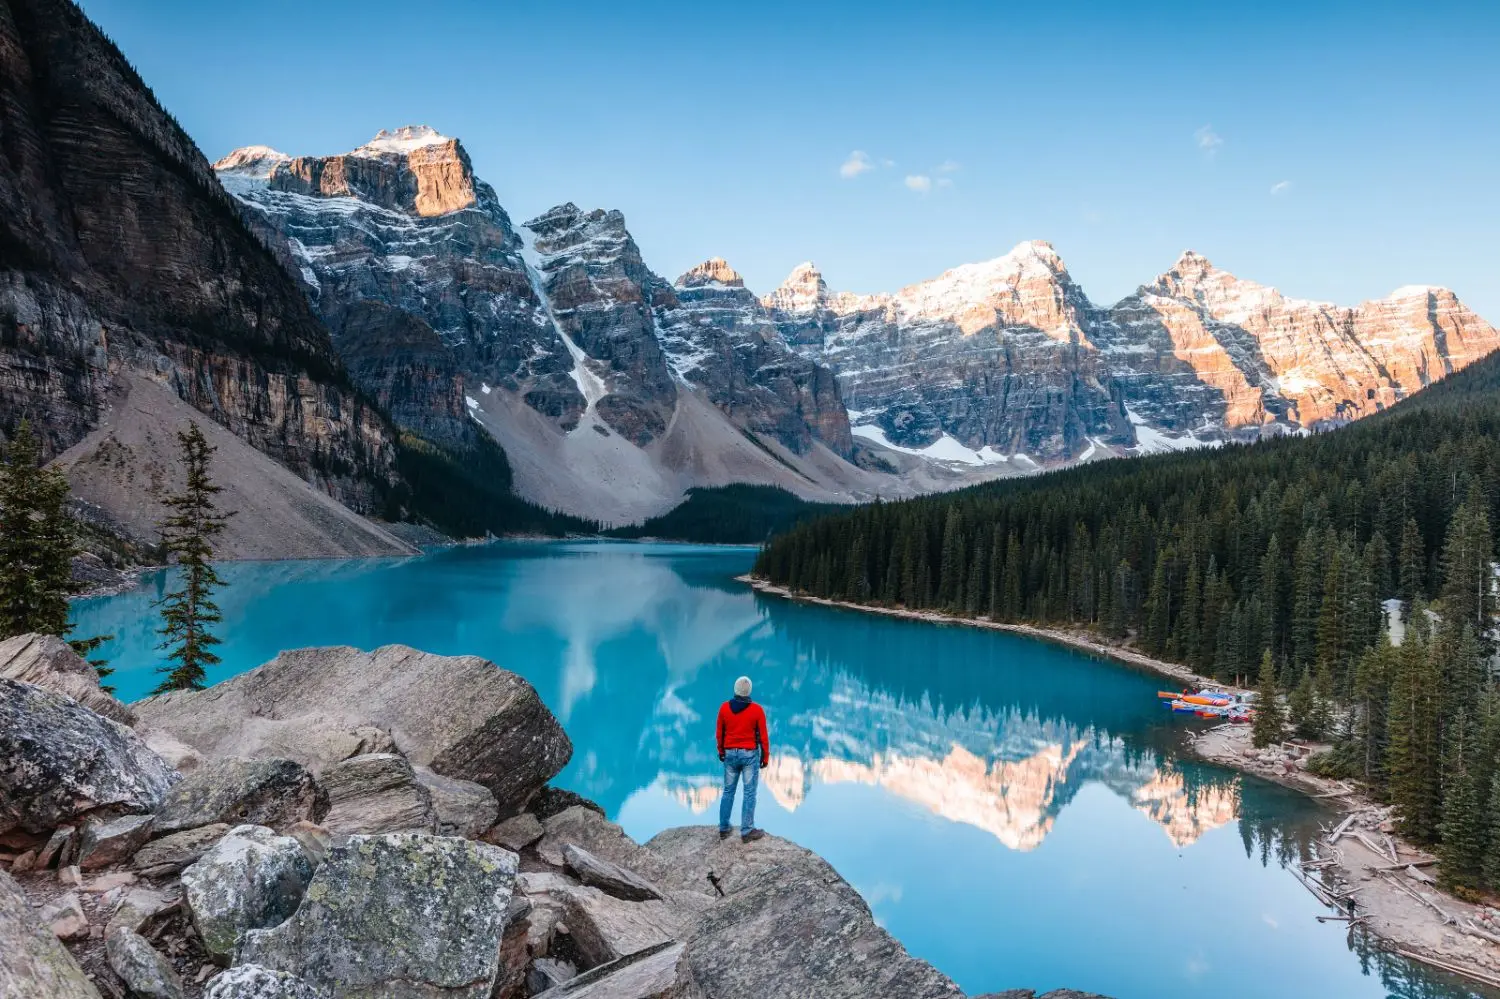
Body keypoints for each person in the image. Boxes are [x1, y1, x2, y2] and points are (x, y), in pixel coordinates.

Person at [716, 675, 769, 843]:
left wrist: (721, 751)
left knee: (728, 791)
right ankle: (746, 831)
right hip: (749, 756)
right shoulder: (757, 710)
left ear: (735, 689)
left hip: (730, 754)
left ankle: (724, 828)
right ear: (749, 691)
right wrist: (765, 757)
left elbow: (719, 734)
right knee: (749, 792)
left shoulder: (724, 708)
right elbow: (763, 737)